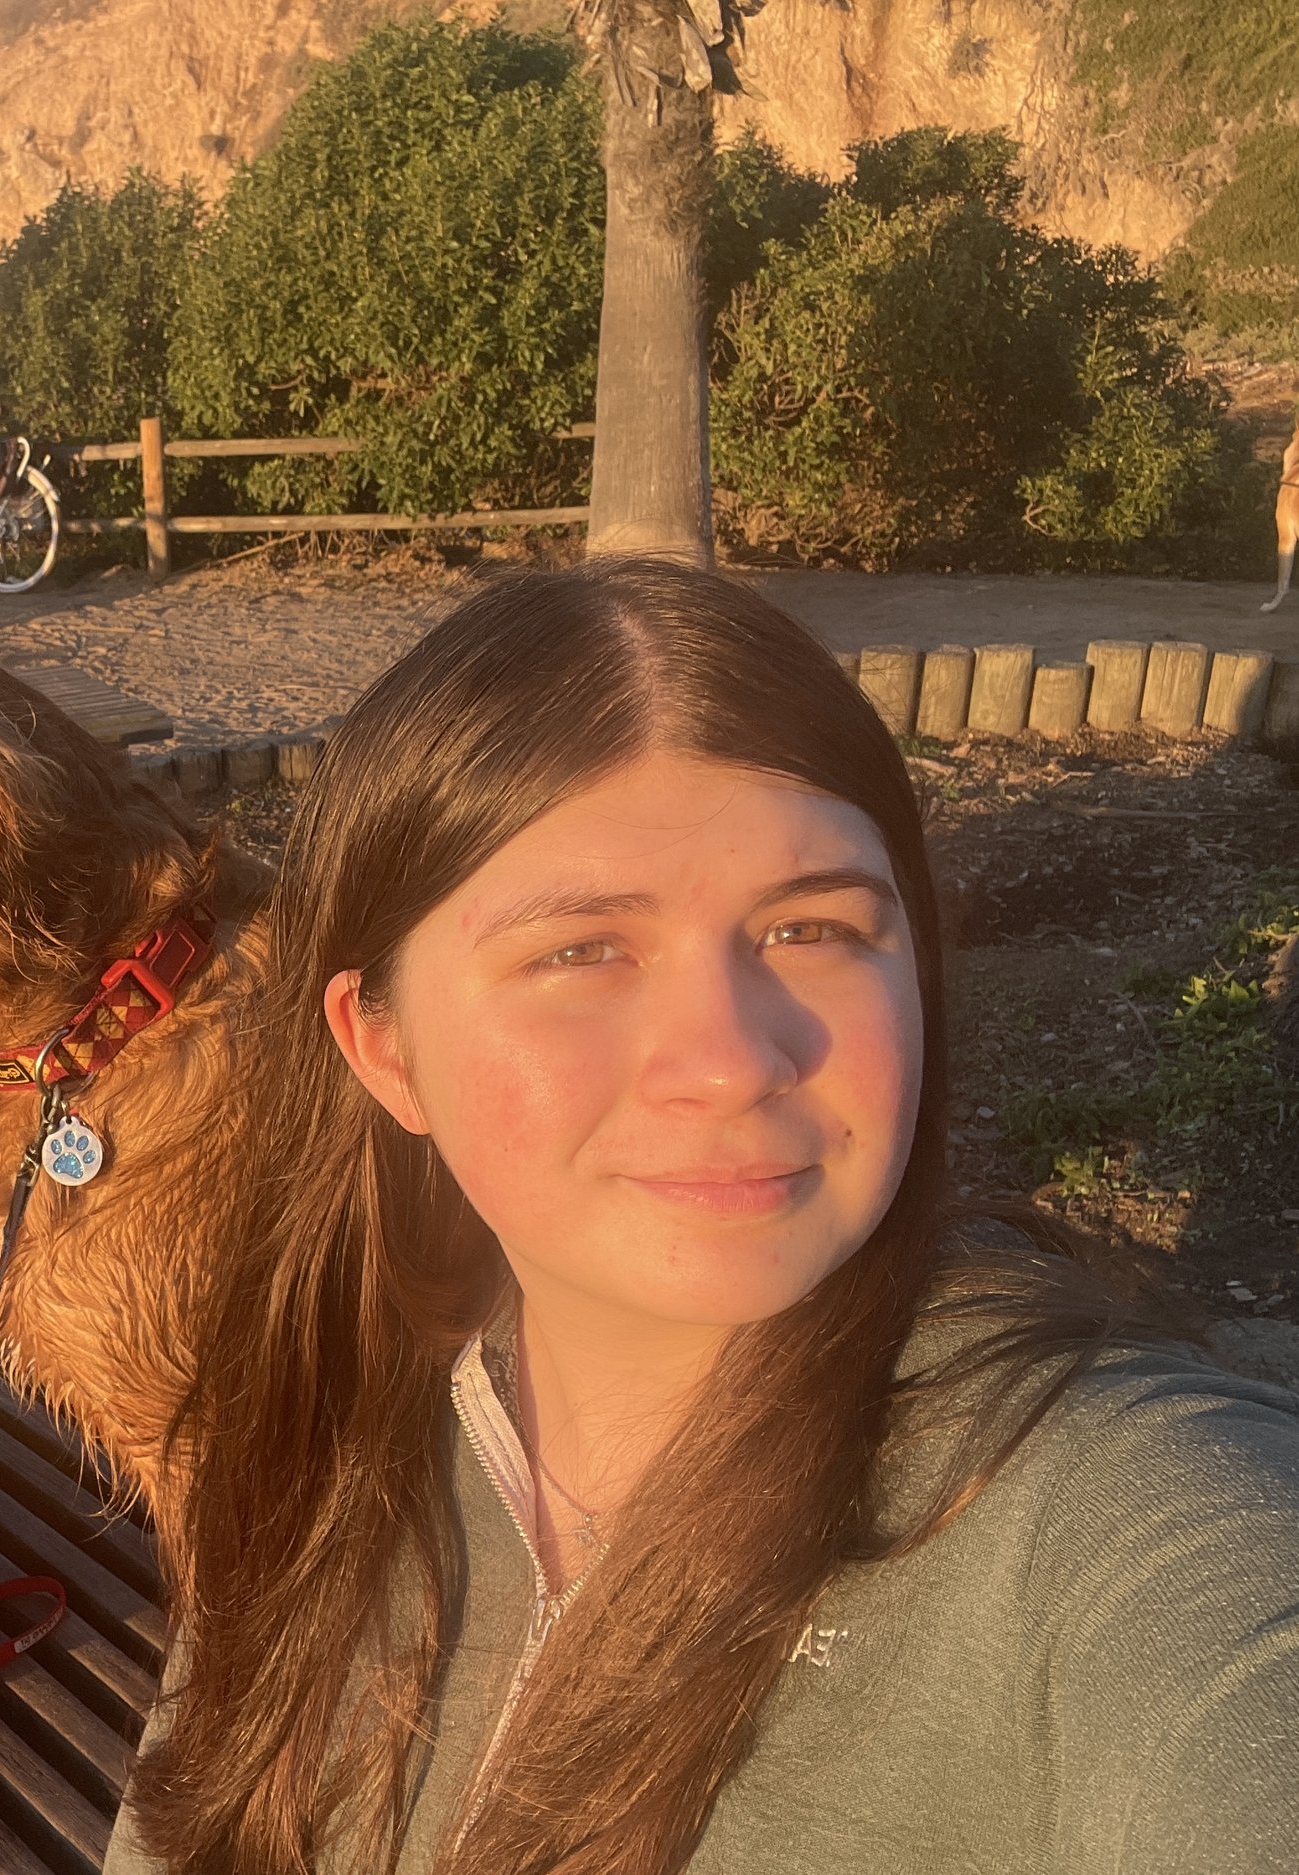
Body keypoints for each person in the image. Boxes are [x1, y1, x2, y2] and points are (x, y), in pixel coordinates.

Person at [109, 561, 1299, 1875]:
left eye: (814, 930)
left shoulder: (1111, 1516)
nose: (731, 1060)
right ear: (384, 1050)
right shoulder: (315, 1453)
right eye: (582, 951)